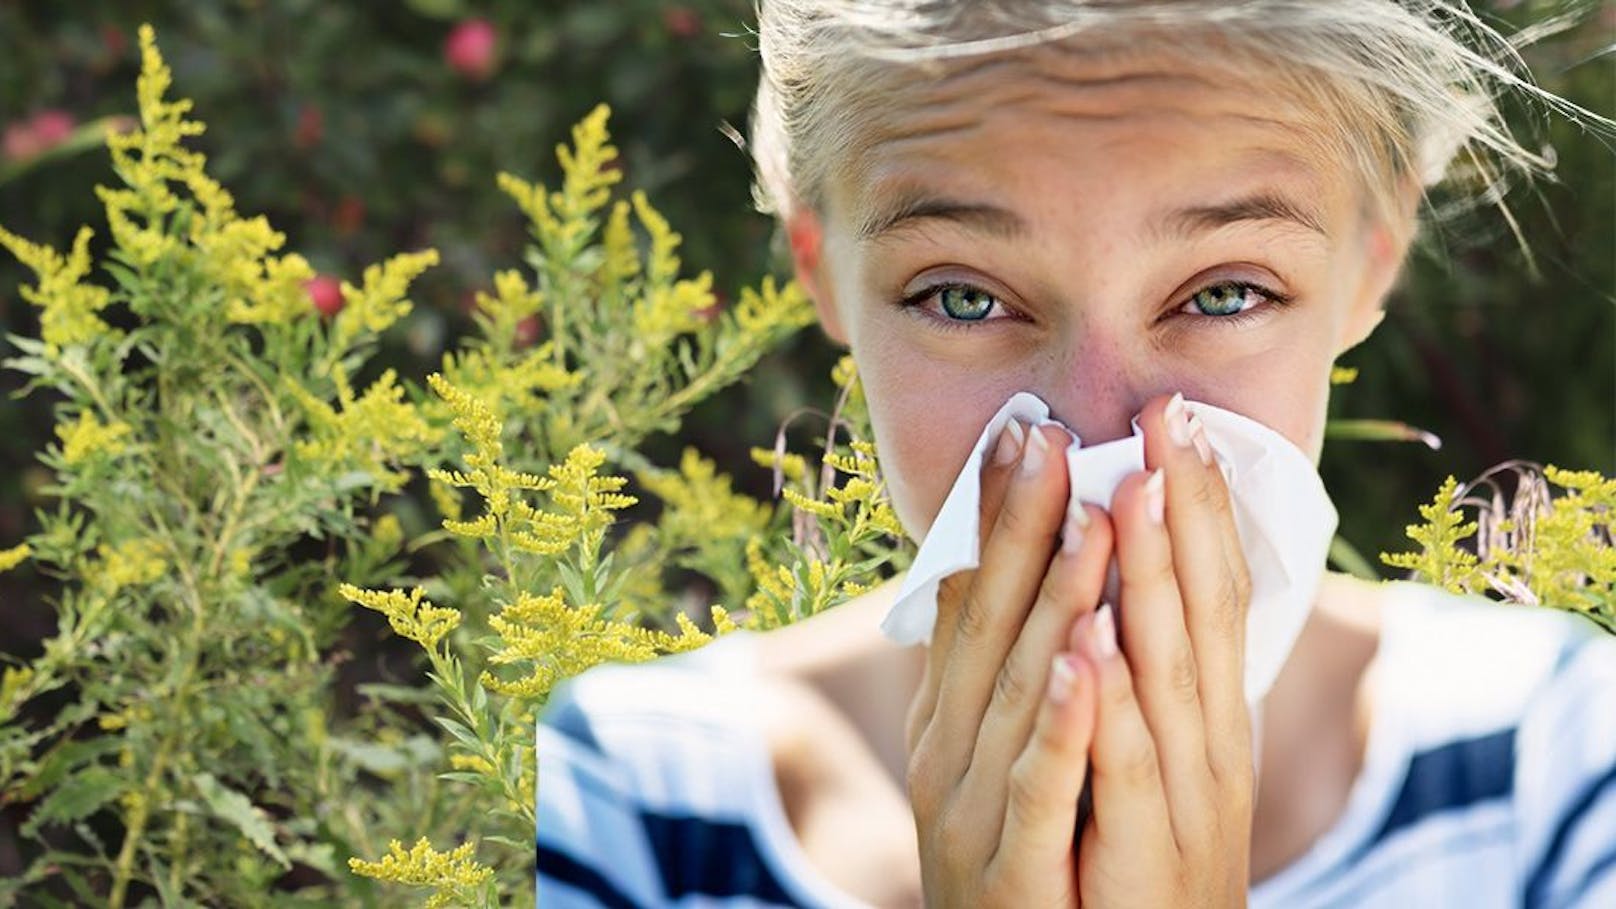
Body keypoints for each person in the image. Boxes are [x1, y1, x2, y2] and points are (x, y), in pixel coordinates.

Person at [535, 2, 1616, 906]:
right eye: (963, 298)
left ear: (1369, 265)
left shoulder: (1556, 769)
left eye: (1222, 294)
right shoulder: (627, 801)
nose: (1097, 437)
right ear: (821, 272)